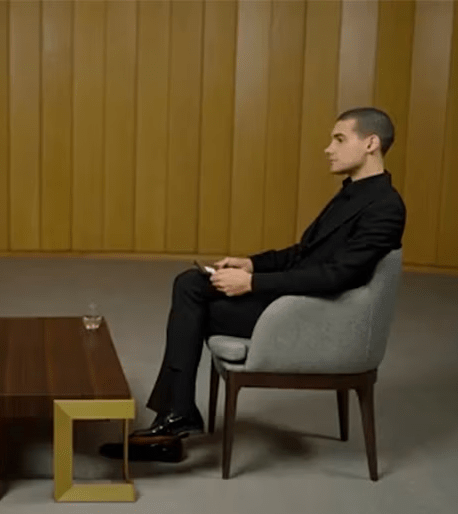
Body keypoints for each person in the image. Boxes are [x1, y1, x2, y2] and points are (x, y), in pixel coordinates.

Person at [103, 107, 406, 462]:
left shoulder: (385, 206)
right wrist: (251, 263)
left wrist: (252, 283)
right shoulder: (352, 193)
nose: (328, 148)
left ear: (371, 143)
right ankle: (175, 416)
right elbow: (303, 253)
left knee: (193, 304)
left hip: (314, 315)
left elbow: (338, 276)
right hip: (296, 302)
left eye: (339, 139)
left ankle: (173, 419)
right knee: (191, 284)